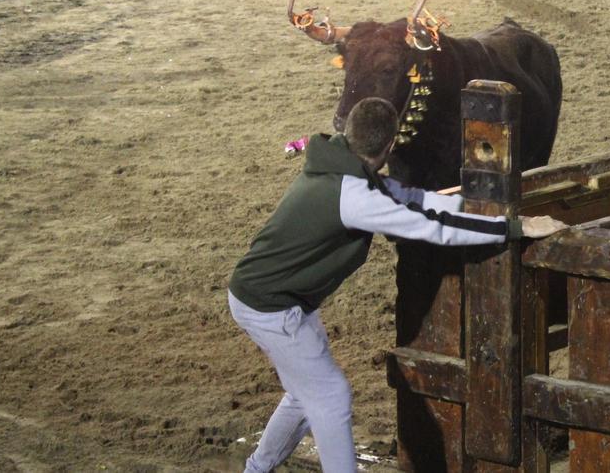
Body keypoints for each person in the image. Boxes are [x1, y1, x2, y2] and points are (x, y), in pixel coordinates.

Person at [228, 97, 566, 473]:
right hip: (272, 308)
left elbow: (419, 202)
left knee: (305, 394)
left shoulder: (342, 164)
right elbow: (432, 227)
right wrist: (515, 229)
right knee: (329, 396)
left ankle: (256, 470)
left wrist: (487, 211)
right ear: (389, 148)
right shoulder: (355, 196)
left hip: (272, 298)